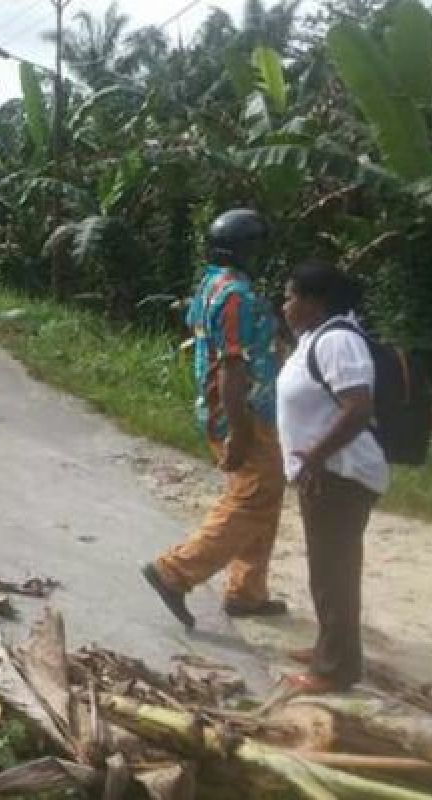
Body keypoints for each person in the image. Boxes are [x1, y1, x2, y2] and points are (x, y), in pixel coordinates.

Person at [142, 209, 288, 628]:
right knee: (253, 498)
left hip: (250, 408)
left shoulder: (212, 284)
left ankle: (247, 591)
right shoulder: (235, 295)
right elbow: (231, 366)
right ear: (248, 250)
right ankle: (174, 572)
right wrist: (239, 431)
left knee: (264, 495)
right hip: (243, 412)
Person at [277, 260, 387, 693]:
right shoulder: (315, 338)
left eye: (290, 297)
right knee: (325, 567)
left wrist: (317, 457)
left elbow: (358, 408)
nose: (284, 306)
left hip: (341, 474)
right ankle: (330, 646)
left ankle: (335, 668)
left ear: (314, 302)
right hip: (324, 472)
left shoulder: (339, 341)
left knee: (334, 571)